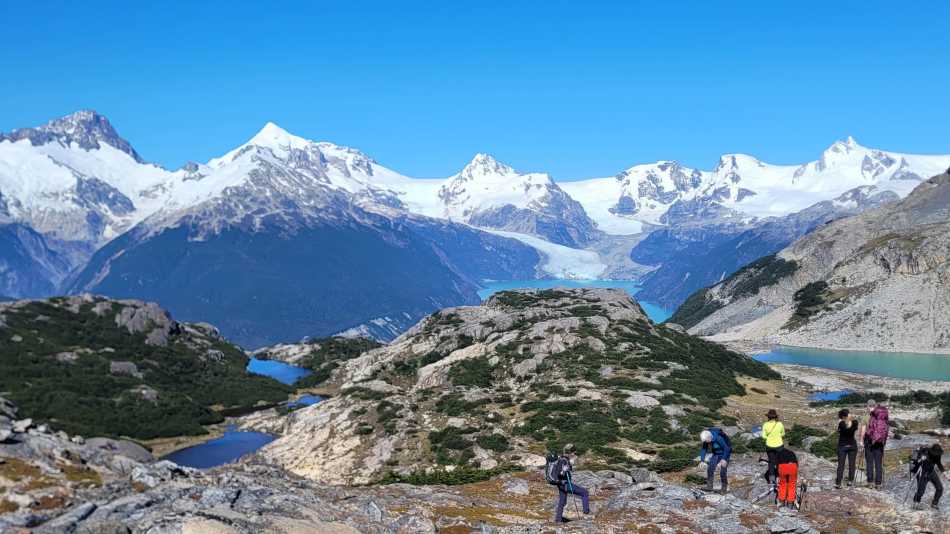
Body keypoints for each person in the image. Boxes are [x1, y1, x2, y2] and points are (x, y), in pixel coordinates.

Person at [550, 444, 591, 523]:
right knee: (585, 493)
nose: (574, 454)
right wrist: (564, 471)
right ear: (571, 452)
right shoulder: (564, 460)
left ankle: (558, 520)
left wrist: (569, 466)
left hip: (560, 484)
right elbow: (559, 473)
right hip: (565, 484)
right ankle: (586, 512)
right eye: (574, 453)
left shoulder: (562, 459)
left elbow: (567, 470)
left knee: (562, 502)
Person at [859, 400, 889, 489]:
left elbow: (863, 430)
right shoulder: (883, 415)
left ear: (868, 406)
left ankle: (870, 482)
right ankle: (878, 484)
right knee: (878, 463)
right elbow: (886, 429)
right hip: (879, 442)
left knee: (869, 462)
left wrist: (861, 441)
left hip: (869, 441)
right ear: (875, 405)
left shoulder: (866, 416)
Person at [698, 427, 732, 494]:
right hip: (716, 454)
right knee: (710, 468)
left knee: (722, 471)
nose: (706, 443)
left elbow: (727, 449)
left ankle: (724, 489)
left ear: (709, 437)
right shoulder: (706, 439)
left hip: (725, 454)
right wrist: (702, 460)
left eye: (706, 441)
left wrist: (724, 459)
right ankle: (709, 486)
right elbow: (704, 449)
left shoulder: (718, 438)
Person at [911, 444, 945, 510]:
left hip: (931, 471)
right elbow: (916, 460)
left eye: (938, 453)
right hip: (922, 472)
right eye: (936, 453)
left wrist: (944, 472)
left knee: (940, 488)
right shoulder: (925, 452)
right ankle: (916, 504)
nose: (937, 455)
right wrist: (920, 458)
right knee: (921, 491)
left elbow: (939, 463)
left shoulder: (938, 455)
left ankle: (934, 503)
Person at [835, 408, 859, 488]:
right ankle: (850, 481)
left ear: (842, 416)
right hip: (852, 445)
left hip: (842, 446)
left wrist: (842, 421)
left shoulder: (841, 424)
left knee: (841, 465)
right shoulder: (855, 423)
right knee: (852, 464)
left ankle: (838, 483)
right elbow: (852, 428)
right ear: (847, 415)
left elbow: (841, 429)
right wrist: (850, 420)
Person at [762, 409, 785, 483]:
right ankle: (779, 477)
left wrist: (769, 437)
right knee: (780, 461)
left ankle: (772, 479)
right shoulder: (780, 424)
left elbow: (763, 436)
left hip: (769, 446)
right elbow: (783, 434)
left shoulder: (765, 425)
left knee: (771, 462)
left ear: (768, 417)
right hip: (779, 445)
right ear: (775, 417)